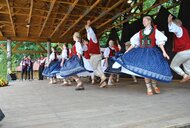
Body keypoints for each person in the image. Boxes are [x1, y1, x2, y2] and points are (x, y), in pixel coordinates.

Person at [114, 16, 173, 96]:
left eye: (145, 20)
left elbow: (160, 43)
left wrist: (164, 52)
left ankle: (154, 85)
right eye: (143, 21)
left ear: (149, 21)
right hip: (142, 53)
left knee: (153, 69)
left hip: (152, 53)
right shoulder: (140, 32)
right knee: (144, 69)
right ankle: (148, 88)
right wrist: (127, 51)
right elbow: (134, 43)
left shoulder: (155, 31)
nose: (143, 22)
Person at [168, 14, 190, 83]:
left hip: (183, 52)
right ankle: (187, 75)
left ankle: (184, 75)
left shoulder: (179, 29)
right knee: (188, 70)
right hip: (188, 51)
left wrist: (169, 22)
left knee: (173, 65)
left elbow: (174, 28)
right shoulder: (184, 30)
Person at [85, 20, 107, 88]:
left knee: (93, 69)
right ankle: (103, 83)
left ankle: (103, 77)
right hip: (98, 55)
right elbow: (89, 34)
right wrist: (87, 29)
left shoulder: (94, 38)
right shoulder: (92, 39)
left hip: (95, 56)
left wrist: (88, 25)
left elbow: (91, 33)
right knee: (99, 69)